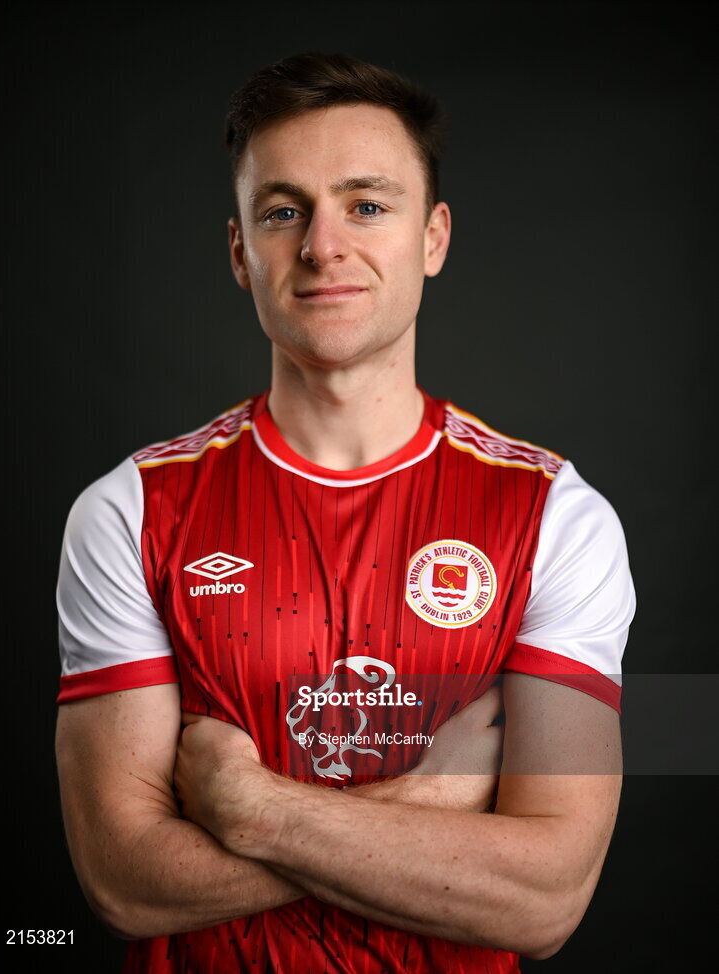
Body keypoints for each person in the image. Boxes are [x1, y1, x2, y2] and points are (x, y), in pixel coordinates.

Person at [55, 52, 636, 973]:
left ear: (433, 238)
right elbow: (126, 883)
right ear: (241, 252)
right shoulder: (128, 510)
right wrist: (429, 803)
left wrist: (253, 809)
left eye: (366, 205)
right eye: (283, 211)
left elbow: (546, 898)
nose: (323, 245)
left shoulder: (558, 517)